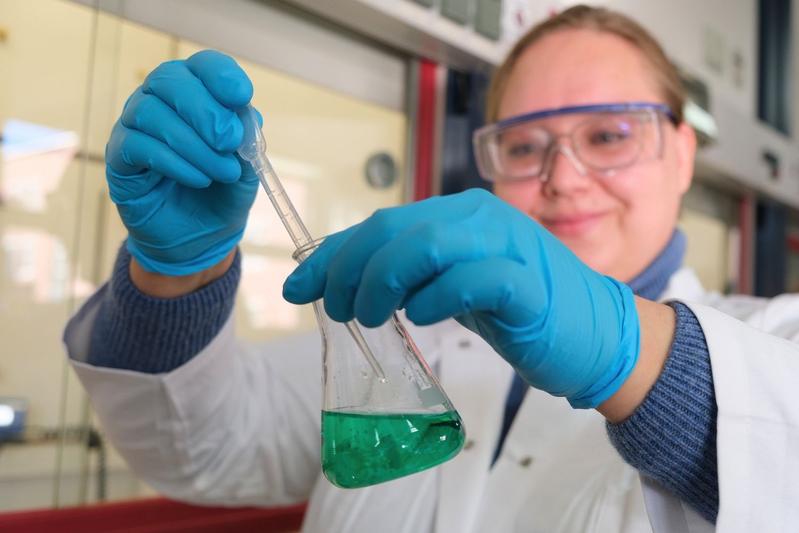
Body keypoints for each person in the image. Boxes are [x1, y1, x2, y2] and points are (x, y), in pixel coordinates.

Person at [63, 5, 799, 532]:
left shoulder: (769, 344)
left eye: (607, 135)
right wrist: (177, 271)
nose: (562, 176)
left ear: (680, 153)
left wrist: (635, 359)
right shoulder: (408, 330)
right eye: (522, 145)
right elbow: (201, 447)